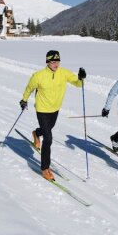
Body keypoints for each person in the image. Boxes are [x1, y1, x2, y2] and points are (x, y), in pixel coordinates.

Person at [20, 50, 86, 181]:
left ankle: (36, 133)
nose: (56, 64)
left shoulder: (64, 73)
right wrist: (24, 99)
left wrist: (81, 78)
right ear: (48, 62)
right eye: (53, 62)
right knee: (48, 139)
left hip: (55, 109)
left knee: (47, 131)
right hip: (42, 110)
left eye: (58, 61)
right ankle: (45, 168)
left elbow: (78, 85)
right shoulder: (38, 76)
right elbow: (29, 88)